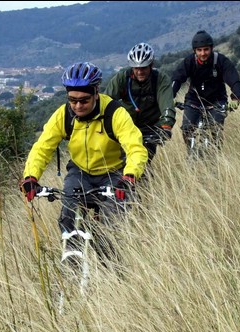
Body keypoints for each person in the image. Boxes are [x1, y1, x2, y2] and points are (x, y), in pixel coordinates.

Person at [20, 61, 148, 262]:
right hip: (80, 173)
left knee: (112, 223)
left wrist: (130, 175)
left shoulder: (115, 113)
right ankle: (73, 262)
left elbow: (135, 148)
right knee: (68, 217)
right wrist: (30, 176)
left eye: (84, 100)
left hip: (112, 174)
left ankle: (111, 266)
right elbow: (42, 147)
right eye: (72, 100)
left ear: (96, 92)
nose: (78, 106)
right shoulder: (64, 115)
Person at [104, 42, 176, 167]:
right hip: (127, 126)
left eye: (143, 68)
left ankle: (145, 185)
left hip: (150, 127)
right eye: (136, 68)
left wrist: (166, 125)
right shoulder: (123, 77)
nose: (139, 71)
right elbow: (106, 101)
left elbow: (167, 104)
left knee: (143, 163)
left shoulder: (160, 79)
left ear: (151, 65)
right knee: (121, 163)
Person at [171, 30, 240, 152]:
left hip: (217, 100)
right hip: (194, 100)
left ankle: (215, 155)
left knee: (215, 128)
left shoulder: (220, 61)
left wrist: (236, 98)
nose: (203, 53)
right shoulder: (189, 62)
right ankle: (191, 152)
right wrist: (169, 97)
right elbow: (176, 79)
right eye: (199, 50)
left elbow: (234, 79)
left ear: (211, 48)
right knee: (187, 128)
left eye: (206, 49)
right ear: (195, 50)